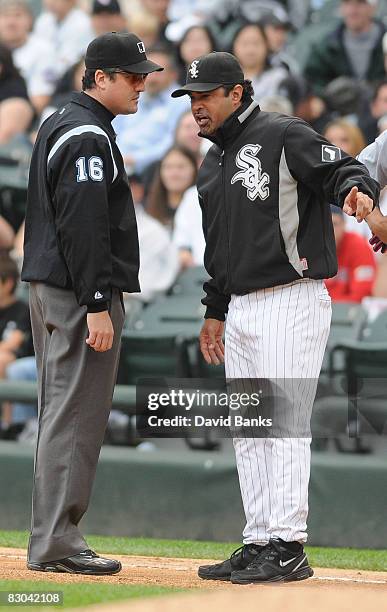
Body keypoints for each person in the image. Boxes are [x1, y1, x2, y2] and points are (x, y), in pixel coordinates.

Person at [171, 51, 379, 584]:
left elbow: (342, 168)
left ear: (236, 93)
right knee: (250, 427)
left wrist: (359, 192)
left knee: (284, 424)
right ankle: (259, 537)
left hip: (292, 296)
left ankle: (288, 544)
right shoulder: (212, 162)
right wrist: (214, 310)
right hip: (240, 306)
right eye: (191, 98)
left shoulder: (282, 132)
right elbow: (219, 250)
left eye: (206, 96)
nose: (197, 106)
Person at [21, 32, 163, 575]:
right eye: (131, 76)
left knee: (62, 411)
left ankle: (52, 535)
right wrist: (97, 302)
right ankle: (58, 540)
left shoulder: (62, 120)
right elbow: (84, 226)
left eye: (144, 76)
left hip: (55, 288)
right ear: (99, 77)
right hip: (76, 293)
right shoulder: (85, 134)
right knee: (76, 414)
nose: (141, 86)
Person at [113, 45, 189, 175]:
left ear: (173, 74)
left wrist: (136, 160)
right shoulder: (133, 94)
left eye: (158, 71)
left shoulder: (182, 101)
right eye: (147, 72)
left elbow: (173, 143)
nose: (152, 78)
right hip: (120, 165)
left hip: (155, 170)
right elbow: (115, 129)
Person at [303, 0, 385, 97]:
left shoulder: (384, 39)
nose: (352, 10)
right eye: (347, 3)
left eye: (360, 3)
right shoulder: (327, 46)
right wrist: (329, 97)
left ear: (373, 8)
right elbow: (311, 81)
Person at [0, 0, 57, 114]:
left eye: (18, 15)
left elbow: (40, 102)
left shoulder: (43, 50)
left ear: (30, 20)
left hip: (24, 116)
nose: (11, 22)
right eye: (5, 16)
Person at [326, 205, 376, 302]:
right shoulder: (313, 248)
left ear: (343, 225)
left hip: (350, 314)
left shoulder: (358, 246)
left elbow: (361, 294)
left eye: (334, 224)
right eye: (326, 225)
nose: (330, 230)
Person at [231, 23, 288, 102]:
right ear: (234, 45)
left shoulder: (278, 77)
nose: (250, 50)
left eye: (256, 43)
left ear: (267, 45)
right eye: (245, 44)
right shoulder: (224, 79)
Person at [145, 144, 197, 229]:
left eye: (181, 167)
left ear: (194, 170)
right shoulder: (149, 206)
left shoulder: (200, 207)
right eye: (168, 167)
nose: (174, 174)